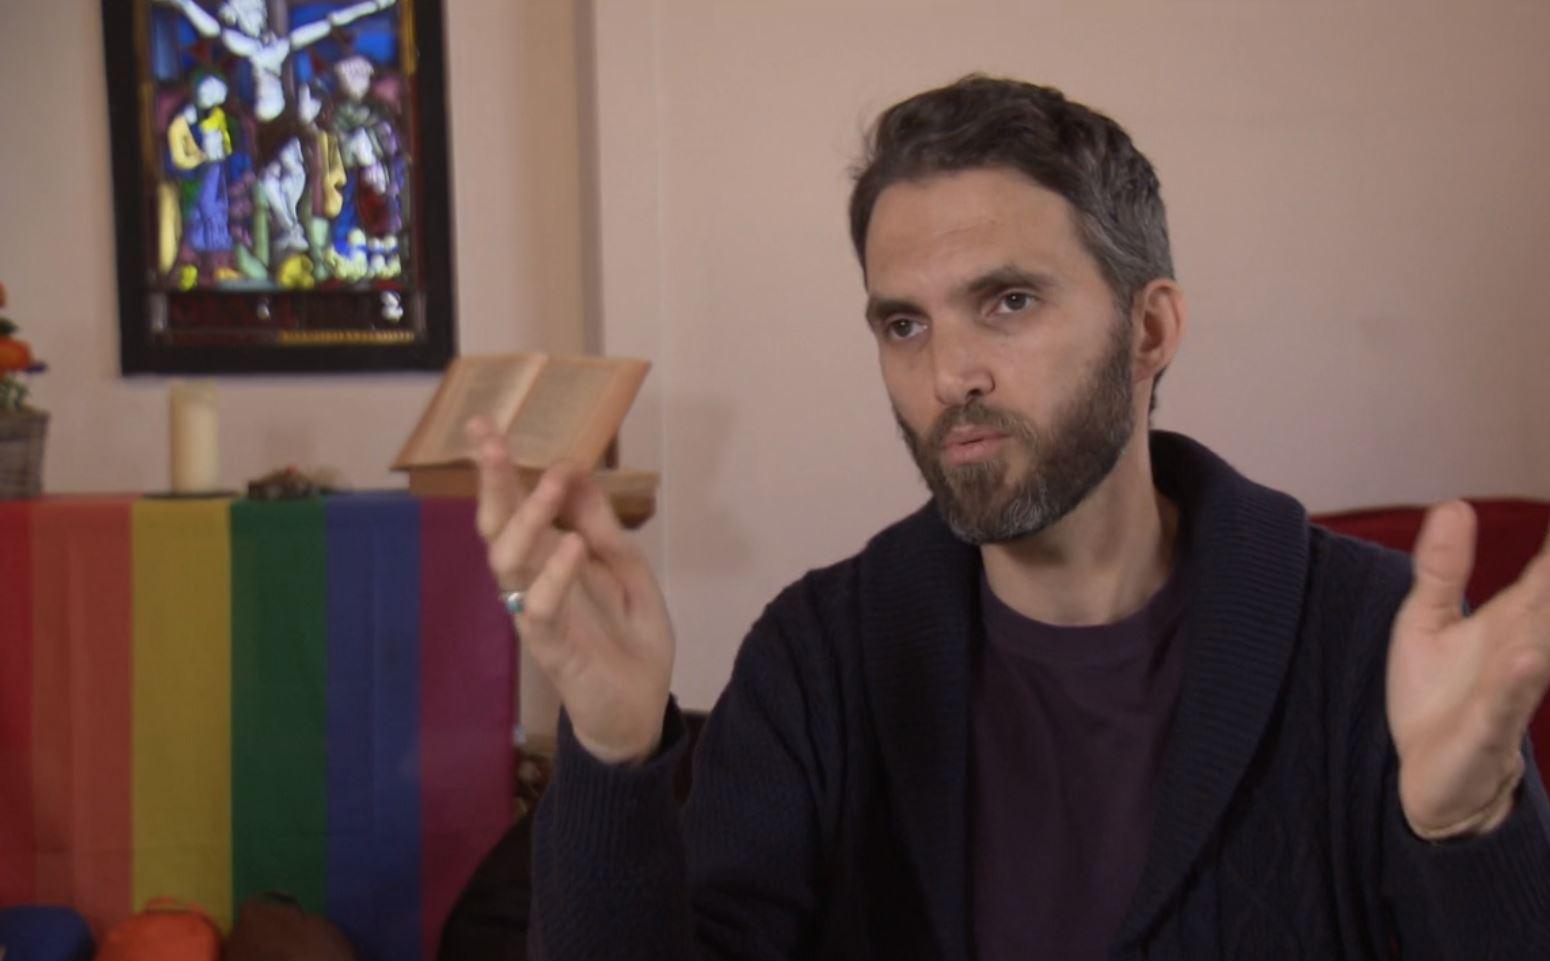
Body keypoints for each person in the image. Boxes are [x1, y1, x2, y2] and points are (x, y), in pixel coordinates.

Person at [466, 75, 1550, 960]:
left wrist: (1471, 830)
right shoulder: (817, 658)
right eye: (903, 324)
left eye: (1009, 302)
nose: (950, 374)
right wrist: (612, 755)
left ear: (1150, 330)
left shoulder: (1363, 638)